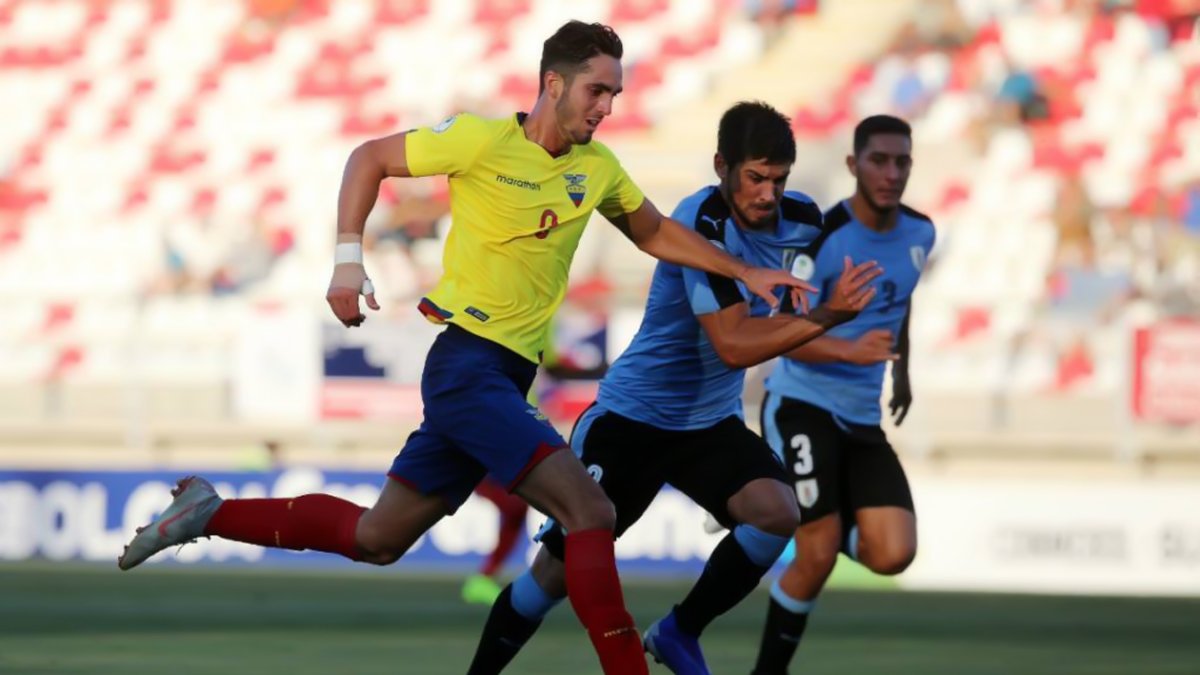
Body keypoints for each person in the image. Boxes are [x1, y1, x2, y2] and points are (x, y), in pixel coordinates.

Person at [116, 21, 808, 675]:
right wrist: (348, 260)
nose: (607, 106)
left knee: (378, 538)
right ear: (553, 84)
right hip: (467, 363)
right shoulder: (480, 140)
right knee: (590, 511)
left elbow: (656, 232)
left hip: (500, 380)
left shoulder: (598, 168)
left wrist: (743, 269)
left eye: (615, 94)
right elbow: (370, 157)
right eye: (598, 90)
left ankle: (209, 511)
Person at [463, 101, 882, 675]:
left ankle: (680, 632)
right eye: (755, 177)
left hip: (708, 424)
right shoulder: (700, 223)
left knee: (777, 513)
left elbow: (843, 258)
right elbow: (733, 344)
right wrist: (830, 316)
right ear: (722, 166)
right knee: (549, 581)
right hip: (630, 422)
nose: (767, 194)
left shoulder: (805, 222)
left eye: (778, 179)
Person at [750, 115, 935, 675]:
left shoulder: (922, 232)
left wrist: (900, 372)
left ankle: (795, 510)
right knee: (816, 554)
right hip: (801, 404)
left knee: (893, 553)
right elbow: (782, 337)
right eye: (879, 160)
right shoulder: (823, 238)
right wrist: (850, 353)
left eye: (902, 161)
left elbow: (897, 303)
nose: (891, 172)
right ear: (854, 166)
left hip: (860, 418)